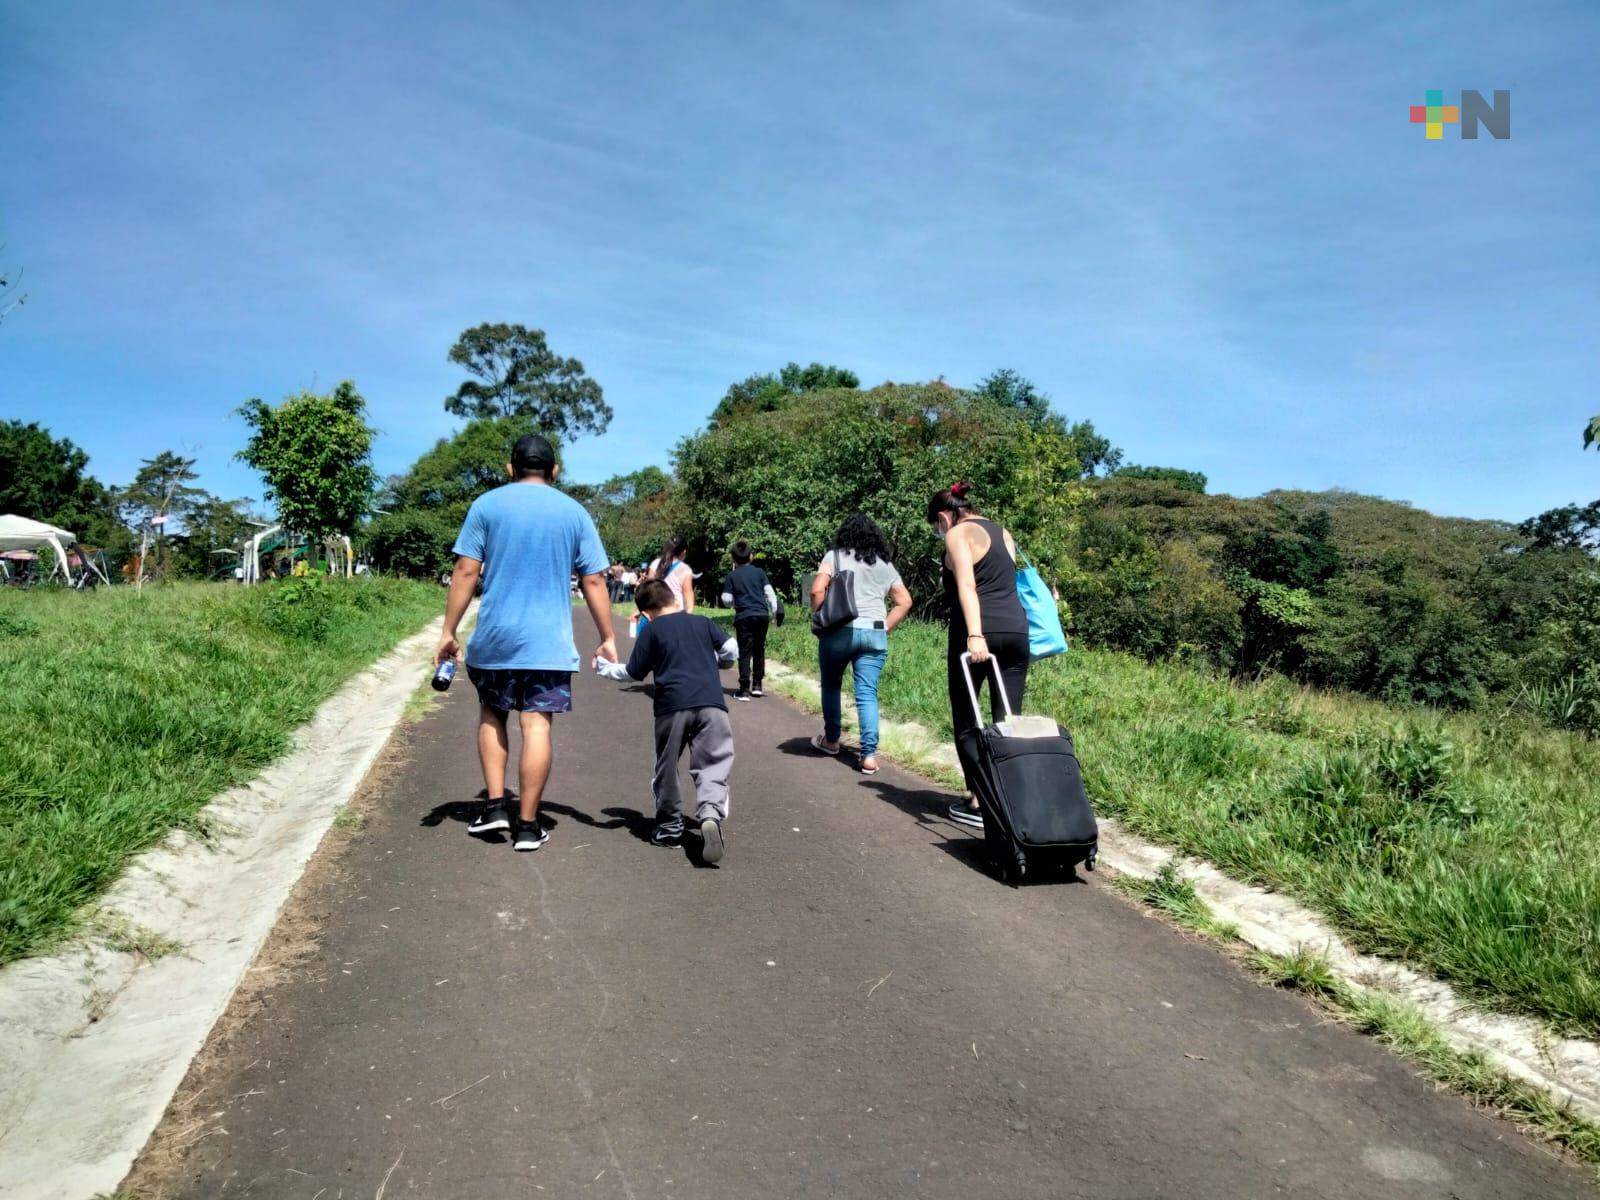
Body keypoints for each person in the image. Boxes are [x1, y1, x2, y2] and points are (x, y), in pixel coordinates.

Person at [436, 433, 617, 852]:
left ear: (510, 469)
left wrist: (448, 631)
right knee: (536, 725)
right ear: (554, 470)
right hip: (548, 644)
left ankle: (495, 806)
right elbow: (593, 580)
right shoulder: (575, 513)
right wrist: (607, 637)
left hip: (495, 638)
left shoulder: (486, 506)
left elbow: (465, 571)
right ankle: (529, 826)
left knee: (492, 713)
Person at [595, 578, 737, 863]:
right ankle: (710, 813)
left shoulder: (652, 629)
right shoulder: (702, 622)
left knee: (667, 765)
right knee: (713, 763)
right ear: (674, 598)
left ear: (646, 613)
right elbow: (731, 649)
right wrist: (721, 662)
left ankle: (669, 827)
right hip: (712, 704)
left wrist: (603, 668)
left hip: (671, 707)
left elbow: (633, 672)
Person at [928, 481, 1028, 828]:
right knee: (1008, 722)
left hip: (978, 634)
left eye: (936, 525)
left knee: (967, 719)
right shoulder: (1003, 533)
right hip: (1016, 631)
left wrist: (974, 634)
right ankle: (1009, 800)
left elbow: (968, 585)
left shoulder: (958, 534)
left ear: (944, 517)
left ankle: (981, 802)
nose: (939, 532)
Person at [808, 514, 913, 775]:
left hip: (839, 631)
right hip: (874, 633)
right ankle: (868, 756)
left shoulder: (834, 556)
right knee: (867, 693)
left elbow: (817, 590)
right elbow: (905, 601)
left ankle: (832, 741)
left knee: (831, 686)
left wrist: (819, 617)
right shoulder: (884, 564)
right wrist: (885, 627)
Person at [719, 540, 778, 702]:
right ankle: (757, 685)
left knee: (745, 651)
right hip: (762, 615)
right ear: (751, 556)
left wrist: (735, 603)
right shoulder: (760, 573)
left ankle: (744, 689)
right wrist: (774, 613)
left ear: (733, 559)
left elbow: (726, 599)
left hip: (744, 616)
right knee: (759, 649)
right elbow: (770, 594)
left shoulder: (732, 576)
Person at [650, 533, 696, 613]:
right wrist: (689, 611)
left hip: (656, 609)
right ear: (684, 552)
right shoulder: (685, 569)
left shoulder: (655, 563)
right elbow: (687, 591)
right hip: (675, 611)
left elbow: (648, 588)